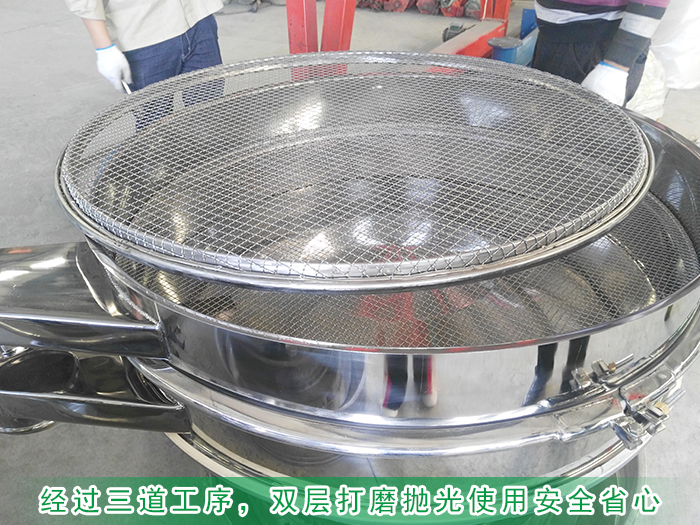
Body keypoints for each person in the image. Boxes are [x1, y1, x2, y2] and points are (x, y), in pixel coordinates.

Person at [65, 1, 224, 92]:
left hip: (199, 17)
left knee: (207, 111)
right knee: (154, 124)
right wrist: (104, 48)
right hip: (143, 35)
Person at [532, 0, 670, 106]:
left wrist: (616, 66)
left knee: (579, 127)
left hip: (597, 44)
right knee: (547, 115)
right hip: (554, 35)